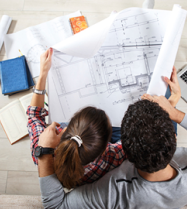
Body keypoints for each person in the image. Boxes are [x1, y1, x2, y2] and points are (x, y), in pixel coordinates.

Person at [37, 60, 187, 208]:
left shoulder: (112, 192)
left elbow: (55, 206)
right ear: (173, 140)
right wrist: (172, 109)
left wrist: (44, 153)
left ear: (123, 150)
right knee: (165, 92)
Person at [27, 48, 126, 189]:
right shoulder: (110, 158)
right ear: (105, 147)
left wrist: (43, 73)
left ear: (67, 127)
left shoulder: (43, 151)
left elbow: (34, 116)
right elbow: (130, 143)